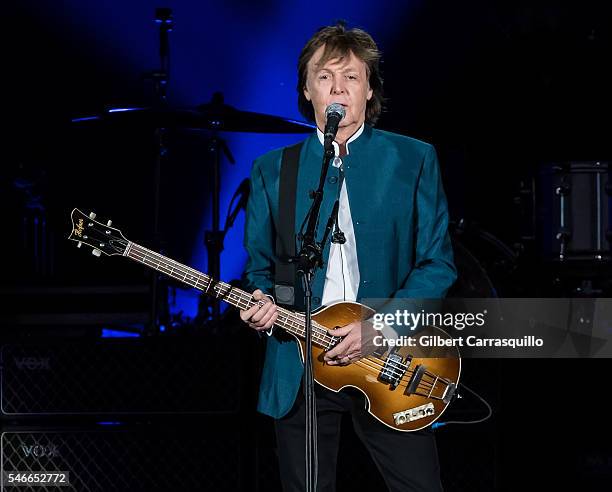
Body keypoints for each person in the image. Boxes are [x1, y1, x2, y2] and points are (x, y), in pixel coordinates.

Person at [240, 23, 456, 492]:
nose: (338, 88)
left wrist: (380, 327)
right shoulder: (273, 171)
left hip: (392, 358)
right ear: (306, 89)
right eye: (324, 76)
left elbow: (437, 263)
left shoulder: (414, 159)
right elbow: (260, 266)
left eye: (351, 77)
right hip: (301, 363)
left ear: (370, 89)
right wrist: (261, 302)